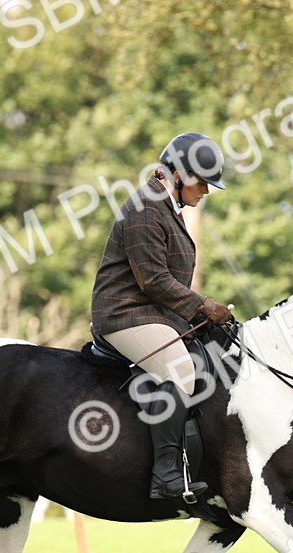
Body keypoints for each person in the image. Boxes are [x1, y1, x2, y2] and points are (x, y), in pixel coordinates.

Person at [90, 132, 233, 501]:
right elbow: (154, 280)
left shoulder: (167, 207)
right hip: (124, 314)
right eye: (202, 182)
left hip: (152, 314)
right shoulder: (146, 207)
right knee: (180, 370)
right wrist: (205, 306)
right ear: (179, 175)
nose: (206, 191)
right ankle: (166, 475)